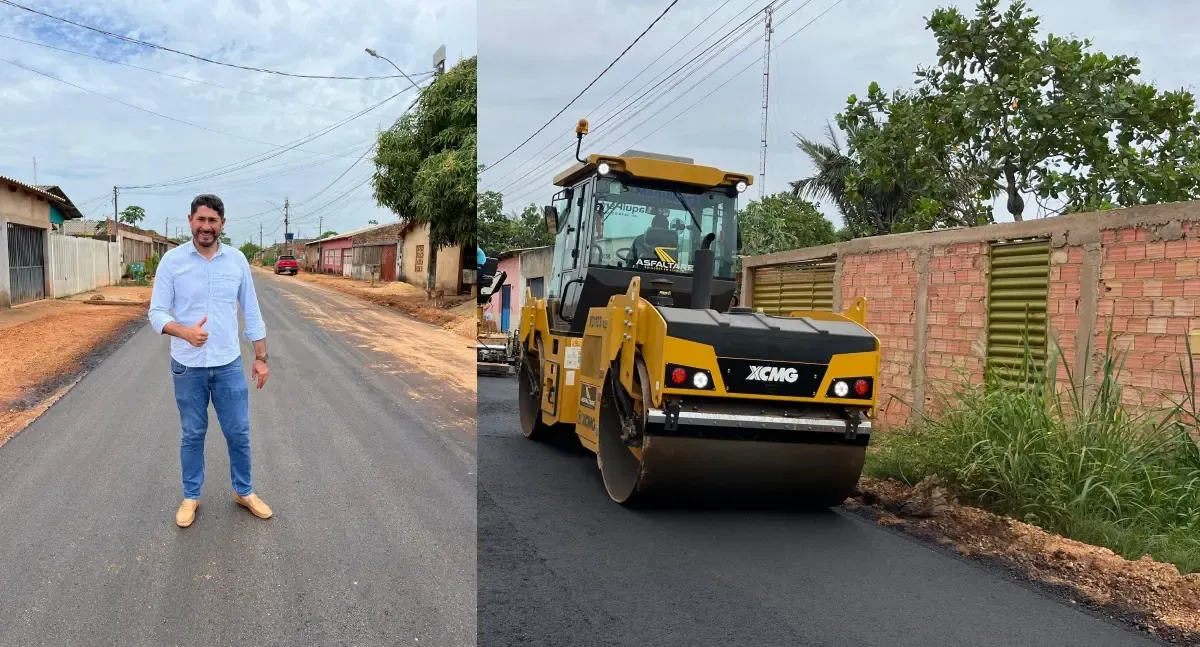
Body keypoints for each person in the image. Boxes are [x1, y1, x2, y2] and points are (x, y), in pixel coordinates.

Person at [148, 194, 273, 528]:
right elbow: (157, 312)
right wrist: (183, 332)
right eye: (200, 220)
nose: (206, 227)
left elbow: (251, 310)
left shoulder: (236, 261)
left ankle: (244, 491)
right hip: (187, 365)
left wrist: (260, 357)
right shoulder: (172, 262)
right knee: (192, 433)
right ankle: (191, 496)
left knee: (239, 432)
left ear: (222, 224)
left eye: (212, 221)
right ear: (190, 220)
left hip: (228, 363)